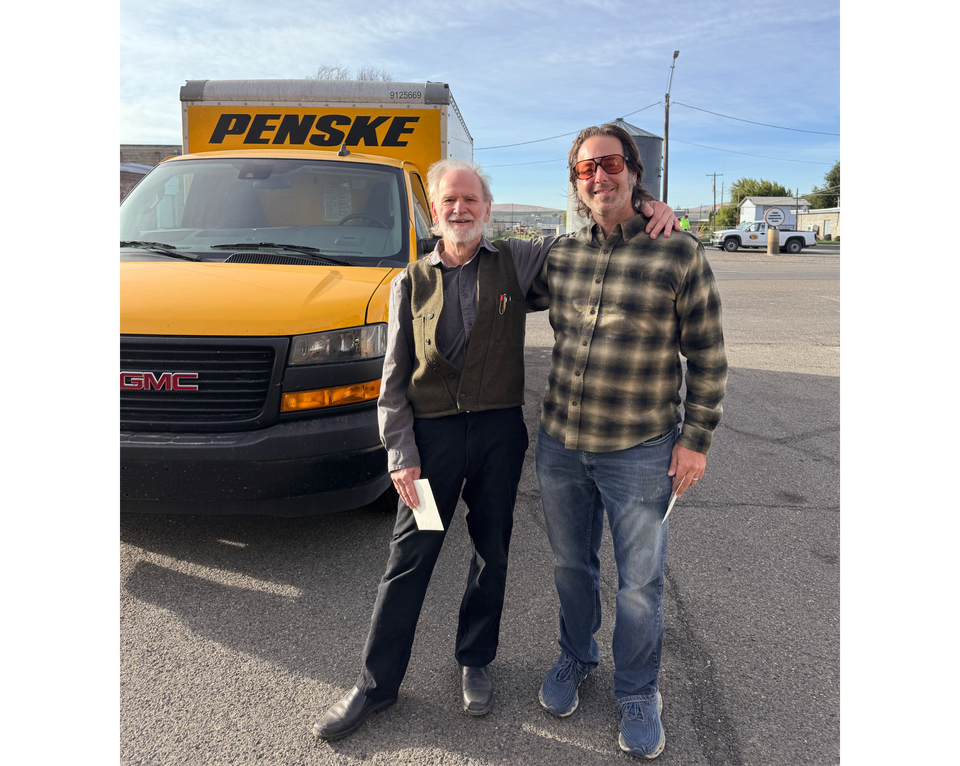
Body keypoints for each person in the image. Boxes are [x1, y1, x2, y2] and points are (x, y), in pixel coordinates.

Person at [312, 159, 679, 741]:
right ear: (434, 212)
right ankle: (376, 685)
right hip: (430, 447)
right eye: (448, 201)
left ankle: (475, 660)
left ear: (487, 207)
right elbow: (392, 381)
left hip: (496, 441)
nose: (460, 210)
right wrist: (401, 455)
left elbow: (597, 225)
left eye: (470, 200)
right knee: (411, 557)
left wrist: (648, 203)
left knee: (491, 552)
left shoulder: (520, 260)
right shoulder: (410, 281)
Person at [528, 125, 727, 759]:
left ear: (635, 172)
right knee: (570, 566)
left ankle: (639, 689)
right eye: (586, 170)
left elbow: (709, 356)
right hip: (561, 444)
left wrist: (695, 439)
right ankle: (575, 656)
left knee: (640, 583)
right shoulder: (560, 254)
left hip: (641, 448)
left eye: (611, 164)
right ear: (575, 183)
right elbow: (487, 279)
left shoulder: (680, 252)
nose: (599, 178)